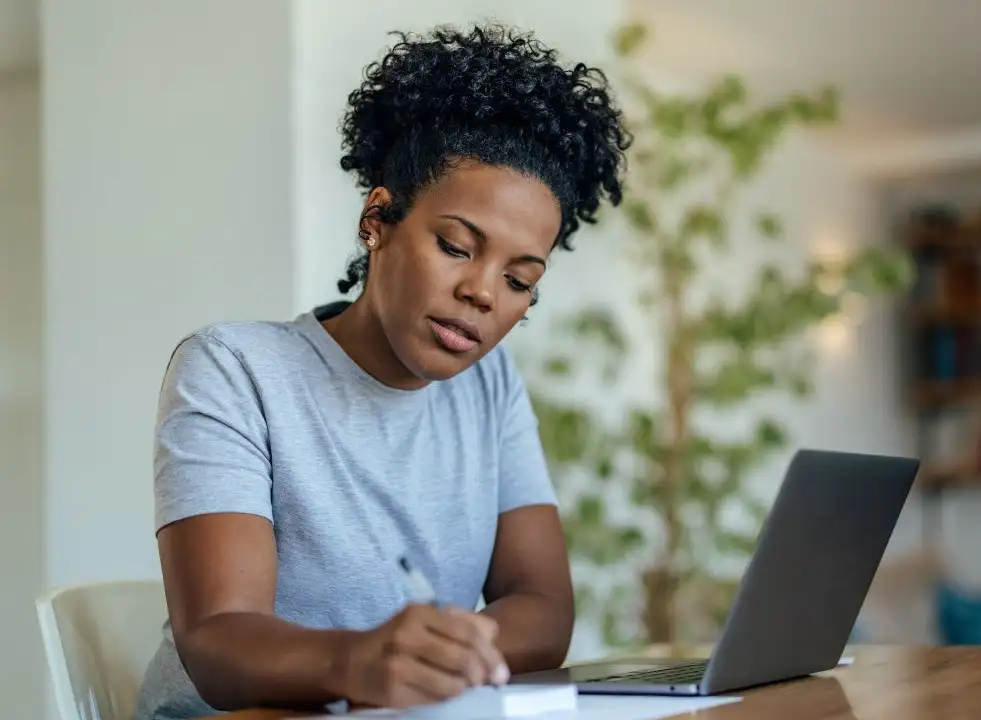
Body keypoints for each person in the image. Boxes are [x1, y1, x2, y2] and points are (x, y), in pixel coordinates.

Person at [133, 24, 628, 720]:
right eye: (457, 246)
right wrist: (362, 661)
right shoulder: (234, 369)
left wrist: (439, 659)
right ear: (379, 218)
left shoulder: (490, 388)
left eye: (520, 280)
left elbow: (545, 609)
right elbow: (217, 641)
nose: (484, 293)